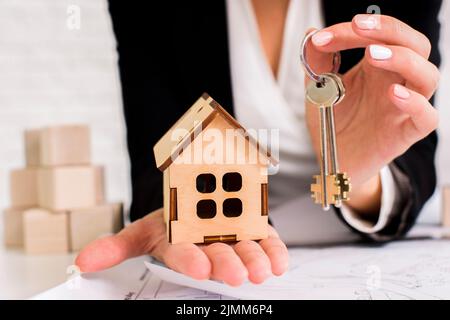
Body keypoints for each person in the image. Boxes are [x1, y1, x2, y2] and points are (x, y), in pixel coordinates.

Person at [75, 0, 442, 286]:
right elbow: (155, 161)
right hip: (237, 249)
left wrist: (358, 178)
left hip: (360, 245)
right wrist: (181, 213)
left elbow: (418, 158)